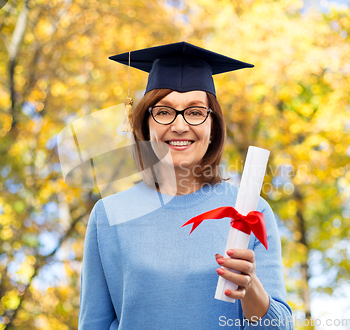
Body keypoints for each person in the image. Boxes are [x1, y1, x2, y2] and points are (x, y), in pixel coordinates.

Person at [79, 42, 293, 329]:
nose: (179, 126)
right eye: (164, 112)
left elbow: (280, 326)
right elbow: (93, 324)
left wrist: (250, 286)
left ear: (212, 125)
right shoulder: (108, 215)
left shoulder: (250, 211)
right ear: (146, 124)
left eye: (195, 112)